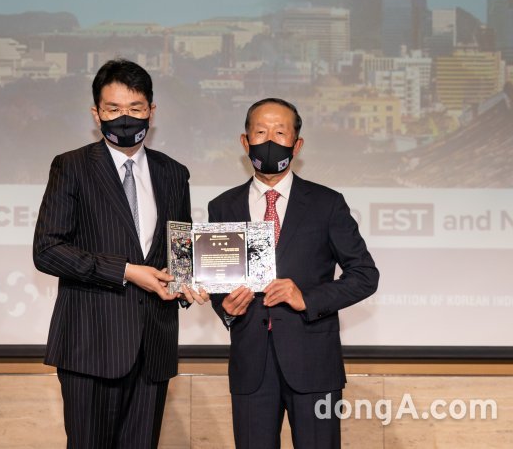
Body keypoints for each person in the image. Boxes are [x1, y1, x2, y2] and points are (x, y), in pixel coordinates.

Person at [33, 59, 206, 449]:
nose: (124, 118)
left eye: (135, 108)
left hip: (154, 348)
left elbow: (179, 251)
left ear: (151, 112)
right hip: (90, 345)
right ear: (96, 114)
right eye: (113, 109)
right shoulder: (72, 166)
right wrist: (127, 270)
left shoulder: (174, 173)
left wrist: (189, 281)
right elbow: (47, 250)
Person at [206, 98, 379, 448]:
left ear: (297, 145)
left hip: (314, 364)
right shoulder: (222, 206)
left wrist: (307, 298)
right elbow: (216, 279)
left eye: (280, 133)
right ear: (245, 142)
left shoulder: (327, 203)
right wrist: (226, 307)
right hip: (251, 366)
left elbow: (365, 275)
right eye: (260, 132)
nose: (270, 140)